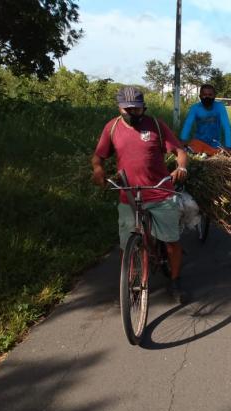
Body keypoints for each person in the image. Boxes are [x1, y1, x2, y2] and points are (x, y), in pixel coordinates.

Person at [91, 86, 189, 302]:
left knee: (172, 241)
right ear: (120, 108)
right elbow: (98, 156)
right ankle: (131, 284)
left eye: (138, 109)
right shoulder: (112, 128)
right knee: (128, 245)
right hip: (129, 196)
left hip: (160, 192)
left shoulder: (155, 125)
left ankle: (175, 280)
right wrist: (98, 169)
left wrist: (181, 168)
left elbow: (179, 151)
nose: (133, 113)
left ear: (143, 108)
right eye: (128, 110)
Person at [180, 84, 231, 152]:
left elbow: (226, 126)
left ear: (214, 96)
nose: (207, 97)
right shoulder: (195, 108)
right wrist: (183, 141)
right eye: (204, 94)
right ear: (200, 96)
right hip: (198, 143)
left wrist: (228, 146)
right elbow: (187, 125)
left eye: (210, 95)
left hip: (215, 144)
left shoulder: (220, 107)